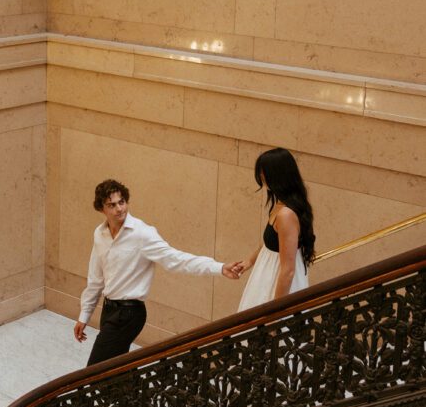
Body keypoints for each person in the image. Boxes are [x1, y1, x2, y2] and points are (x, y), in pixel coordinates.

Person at [74, 179, 243, 366]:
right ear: (101, 209)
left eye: (122, 202)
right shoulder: (100, 234)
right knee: (115, 370)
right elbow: (95, 279)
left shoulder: (142, 234)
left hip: (130, 313)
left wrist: (219, 267)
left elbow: (177, 260)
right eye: (111, 205)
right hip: (109, 310)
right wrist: (84, 315)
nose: (119, 209)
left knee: (94, 370)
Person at [237, 148, 315, 312]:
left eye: (263, 173)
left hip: (275, 281)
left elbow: (288, 271)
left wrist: (275, 313)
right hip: (266, 273)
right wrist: (249, 261)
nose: (261, 178)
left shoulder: (286, 215)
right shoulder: (280, 206)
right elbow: (270, 244)